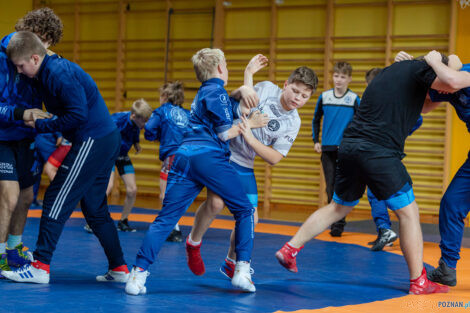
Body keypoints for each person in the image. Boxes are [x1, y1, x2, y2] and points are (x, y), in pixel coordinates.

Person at [275, 51, 455, 295]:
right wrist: (441, 65)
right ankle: (419, 281)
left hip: (349, 147)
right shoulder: (423, 70)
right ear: (432, 68)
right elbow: (450, 81)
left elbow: (425, 105)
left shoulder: (393, 71)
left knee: (338, 207)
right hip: (378, 151)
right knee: (409, 213)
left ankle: (291, 248)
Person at [124, 48, 265, 295]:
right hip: (208, 157)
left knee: (166, 218)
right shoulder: (217, 93)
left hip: (182, 157)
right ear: (221, 68)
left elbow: (235, 104)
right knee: (244, 210)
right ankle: (241, 269)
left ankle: (137, 275)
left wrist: (246, 80)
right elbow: (225, 133)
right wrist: (250, 125)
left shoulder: (203, 92)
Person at [1, 31, 129, 284]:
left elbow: (78, 115)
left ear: (35, 58)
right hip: (103, 138)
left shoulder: (58, 72)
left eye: (21, 65)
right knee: (95, 209)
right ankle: (120, 268)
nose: (20, 71)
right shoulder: (47, 71)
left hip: (93, 139)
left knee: (55, 199)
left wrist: (40, 126)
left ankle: (40, 266)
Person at [185, 54, 317, 280]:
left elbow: (274, 158)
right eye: (295, 91)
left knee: (252, 218)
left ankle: (231, 261)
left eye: (304, 96)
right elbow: (236, 100)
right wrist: (246, 80)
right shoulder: (266, 89)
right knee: (215, 203)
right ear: (285, 85)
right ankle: (193, 242)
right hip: (224, 151)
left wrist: (249, 137)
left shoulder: (293, 122)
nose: (298, 98)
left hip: (245, 163)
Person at [0, 8, 62, 275]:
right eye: (44, 43)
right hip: (2, 136)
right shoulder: (3, 56)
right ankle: (1, 254)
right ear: (37, 34)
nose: (44, 52)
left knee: (26, 195)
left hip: (26, 137)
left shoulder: (42, 59)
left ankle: (13, 249)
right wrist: (20, 113)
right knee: (10, 196)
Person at [419, 51, 470, 287]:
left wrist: (433, 60)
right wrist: (409, 67)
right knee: (451, 204)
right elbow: (425, 106)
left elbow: (453, 81)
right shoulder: (447, 85)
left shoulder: (464, 74)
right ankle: (447, 268)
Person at [84, 98, 152, 233]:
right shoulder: (117, 120)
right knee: (107, 187)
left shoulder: (136, 123)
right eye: (144, 120)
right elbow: (100, 132)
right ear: (134, 116)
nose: (146, 124)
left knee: (132, 189)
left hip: (121, 154)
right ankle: (93, 221)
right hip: (107, 154)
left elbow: (134, 130)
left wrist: (136, 143)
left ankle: (123, 221)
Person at [312, 61, 360, 237]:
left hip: (346, 150)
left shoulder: (354, 99)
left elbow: (362, 122)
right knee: (330, 186)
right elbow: (316, 119)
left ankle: (339, 223)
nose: (338, 80)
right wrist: (315, 140)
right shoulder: (324, 97)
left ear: (349, 79)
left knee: (343, 186)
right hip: (327, 149)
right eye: (336, 76)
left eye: (343, 76)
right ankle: (335, 222)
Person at [144, 81, 190, 242]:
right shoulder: (187, 113)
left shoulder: (162, 110)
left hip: (172, 156)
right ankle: (174, 226)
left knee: (165, 193)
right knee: (178, 193)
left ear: (164, 96)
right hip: (188, 157)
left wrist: (156, 137)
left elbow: (149, 128)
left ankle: (173, 228)